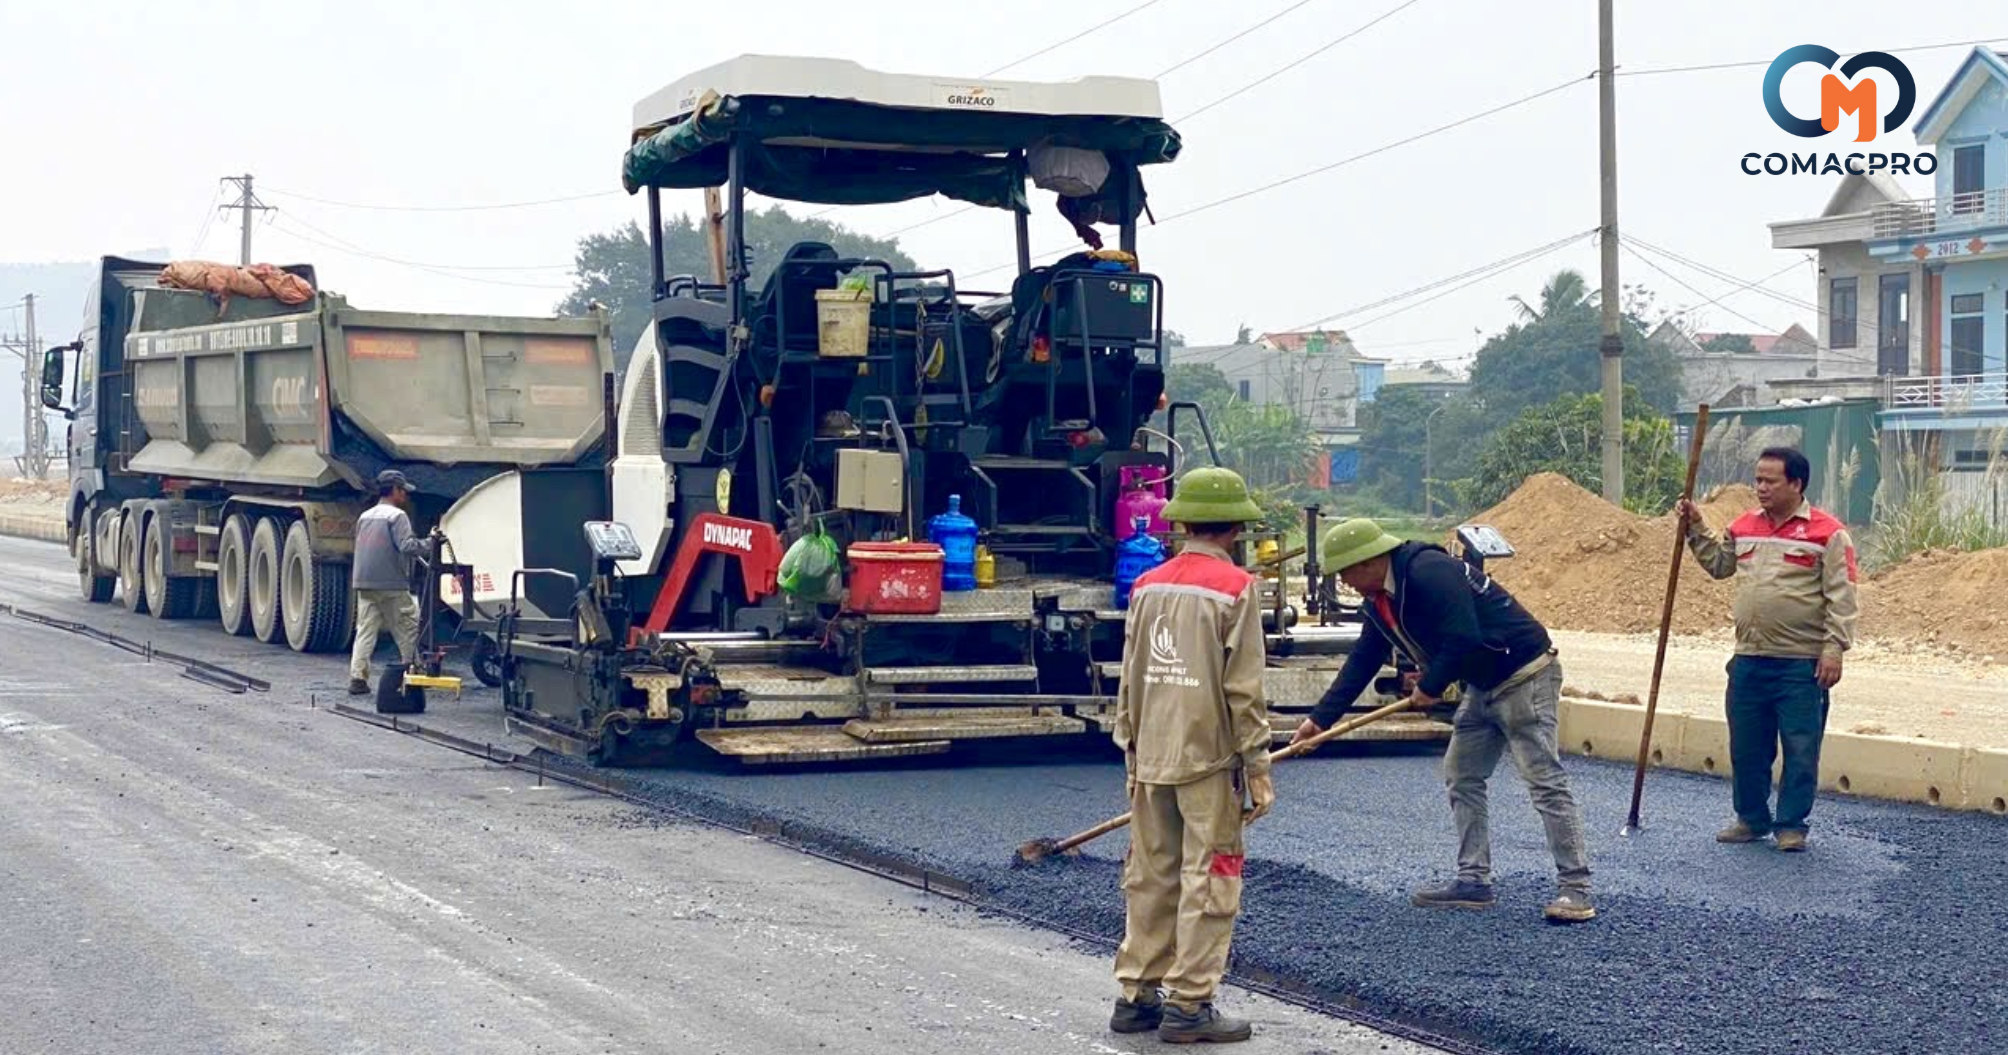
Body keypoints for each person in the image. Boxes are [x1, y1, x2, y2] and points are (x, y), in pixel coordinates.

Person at [1290, 519, 1595, 924]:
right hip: (1483, 683)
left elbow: (1464, 635)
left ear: (1368, 561)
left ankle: (1576, 888)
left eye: (1345, 572)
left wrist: (1431, 685)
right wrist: (1320, 720)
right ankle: (1474, 880)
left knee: (1544, 781)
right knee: (1461, 774)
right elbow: (1363, 660)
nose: (1345, 582)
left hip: (1524, 675)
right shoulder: (1380, 603)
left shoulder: (1427, 571)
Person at [1109, 466, 1275, 1045]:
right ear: (1235, 528)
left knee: (1150, 874)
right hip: (1207, 763)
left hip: (1149, 755)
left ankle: (1136, 995)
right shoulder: (1236, 589)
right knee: (1210, 876)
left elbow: (1129, 675)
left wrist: (1129, 746)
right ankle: (1189, 1004)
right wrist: (1258, 765)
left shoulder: (1147, 584)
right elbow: (1243, 689)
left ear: (1181, 522)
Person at [1677, 446, 1858, 853]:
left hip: (1801, 662)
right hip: (1749, 658)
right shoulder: (1744, 526)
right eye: (1758, 479)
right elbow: (1720, 565)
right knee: (1747, 746)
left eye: (1770, 480)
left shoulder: (1828, 533)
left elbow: (1842, 596)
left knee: (1800, 746)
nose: (1760, 487)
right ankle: (1751, 818)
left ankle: (1791, 824)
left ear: (1796, 483)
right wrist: (1695, 527)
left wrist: (1834, 648)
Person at [348, 469, 433, 696]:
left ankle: (357, 679)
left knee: (365, 631)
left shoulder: (365, 516)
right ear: (394, 490)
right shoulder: (397, 516)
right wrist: (432, 542)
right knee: (407, 627)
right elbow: (407, 546)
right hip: (391, 583)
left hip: (363, 583)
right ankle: (414, 674)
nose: (405, 494)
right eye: (403, 490)